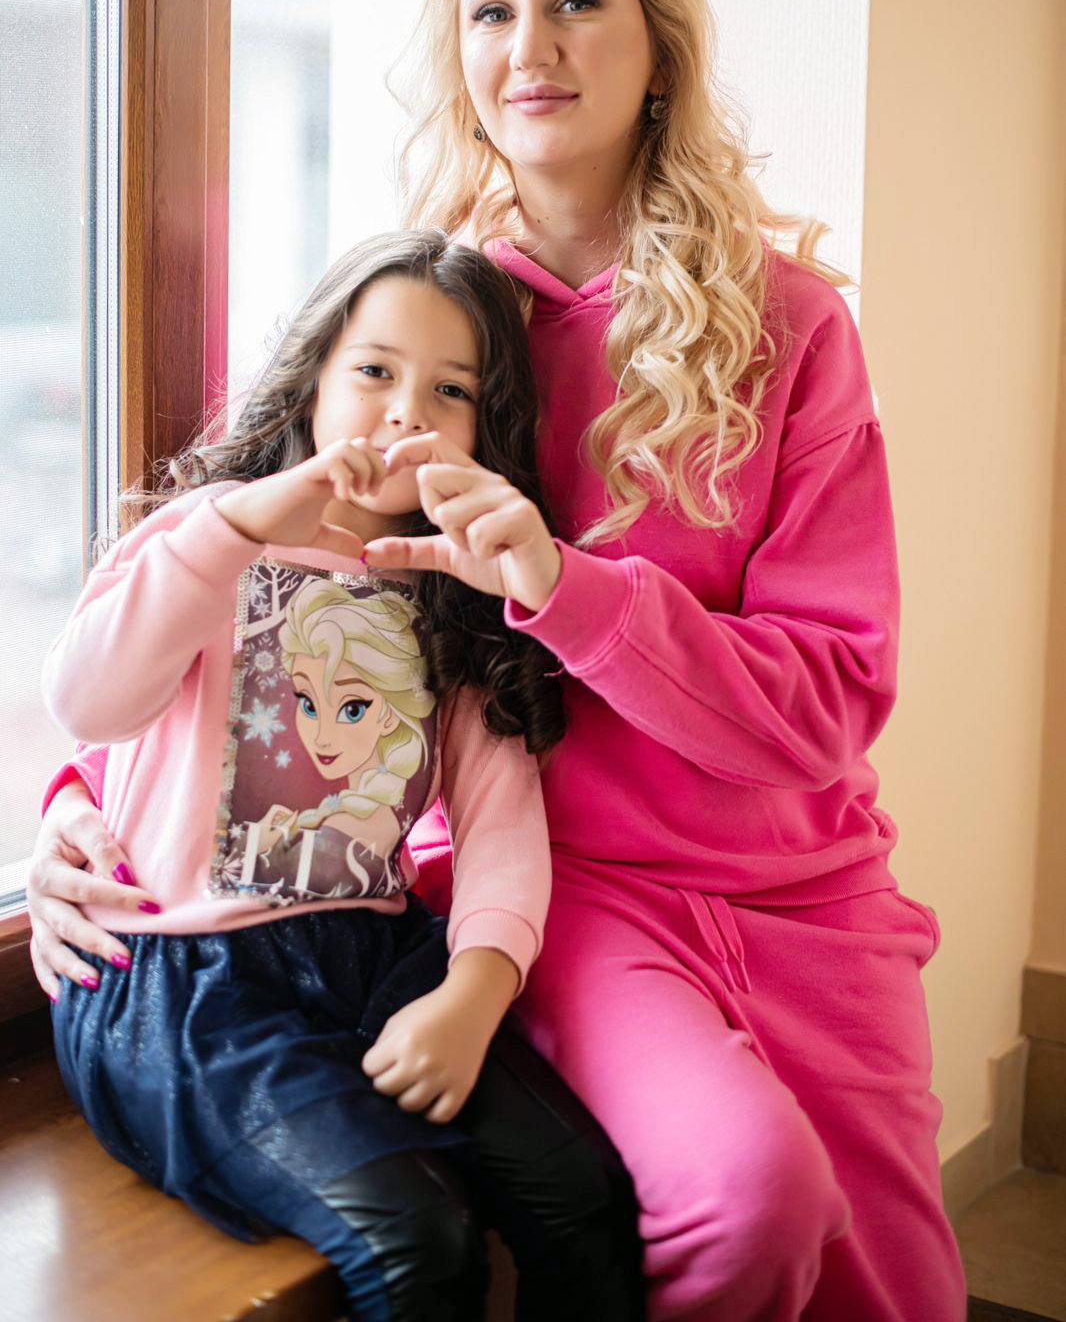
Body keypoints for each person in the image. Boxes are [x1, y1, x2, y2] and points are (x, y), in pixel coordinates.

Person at [29, 0, 966, 1321]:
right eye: (490, 11)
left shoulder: (789, 328)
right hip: (556, 895)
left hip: (801, 886)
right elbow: (267, 585)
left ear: (659, 50)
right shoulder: (439, 325)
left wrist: (568, 588)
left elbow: (829, 703)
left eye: (577, 0)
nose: (531, 44)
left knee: (894, 1286)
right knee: (748, 1208)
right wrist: (75, 806)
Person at [37, 231, 643, 1322]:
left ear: (488, 426)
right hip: (183, 982)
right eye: (373, 371)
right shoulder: (200, 539)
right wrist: (234, 526)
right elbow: (90, 704)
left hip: (371, 956)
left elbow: (503, 827)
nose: (405, 413)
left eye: (450, 390)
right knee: (419, 1240)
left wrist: (473, 994)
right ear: (313, 376)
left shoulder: (457, 592)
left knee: (580, 1193)